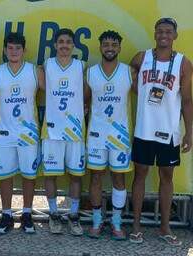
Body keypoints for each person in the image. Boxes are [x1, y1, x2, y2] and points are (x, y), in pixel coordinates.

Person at [129, 18, 193, 246]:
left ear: (175, 36)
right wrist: (137, 85)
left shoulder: (184, 63)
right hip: (144, 129)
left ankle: (164, 227)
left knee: (167, 177)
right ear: (154, 34)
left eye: (168, 31)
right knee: (140, 175)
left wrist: (189, 132)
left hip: (169, 131)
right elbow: (130, 73)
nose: (163, 35)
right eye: (160, 31)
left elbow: (186, 100)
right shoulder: (141, 57)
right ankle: (136, 226)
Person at [0, 32, 44, 234]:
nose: (14, 51)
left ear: (24, 50)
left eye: (18, 48)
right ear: (4, 50)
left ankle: (27, 214)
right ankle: (7, 214)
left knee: (29, 175)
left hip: (29, 133)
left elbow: (53, 94)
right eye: (10, 48)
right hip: (4, 133)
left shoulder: (35, 71)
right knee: (5, 175)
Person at [85, 30, 135, 240]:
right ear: (100, 47)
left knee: (118, 177)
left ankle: (116, 222)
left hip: (120, 135)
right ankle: (97, 220)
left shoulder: (130, 72)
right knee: (96, 177)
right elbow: (84, 101)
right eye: (106, 44)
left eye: (114, 44)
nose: (110, 48)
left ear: (120, 48)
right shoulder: (90, 72)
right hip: (96, 134)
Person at [40, 28, 86, 236]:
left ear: (73, 45)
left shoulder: (81, 66)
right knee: (51, 175)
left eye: (68, 42)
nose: (65, 45)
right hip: (51, 130)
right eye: (61, 42)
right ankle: (54, 214)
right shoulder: (46, 65)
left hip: (75, 130)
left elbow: (87, 93)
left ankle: (74, 216)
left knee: (76, 176)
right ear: (55, 45)